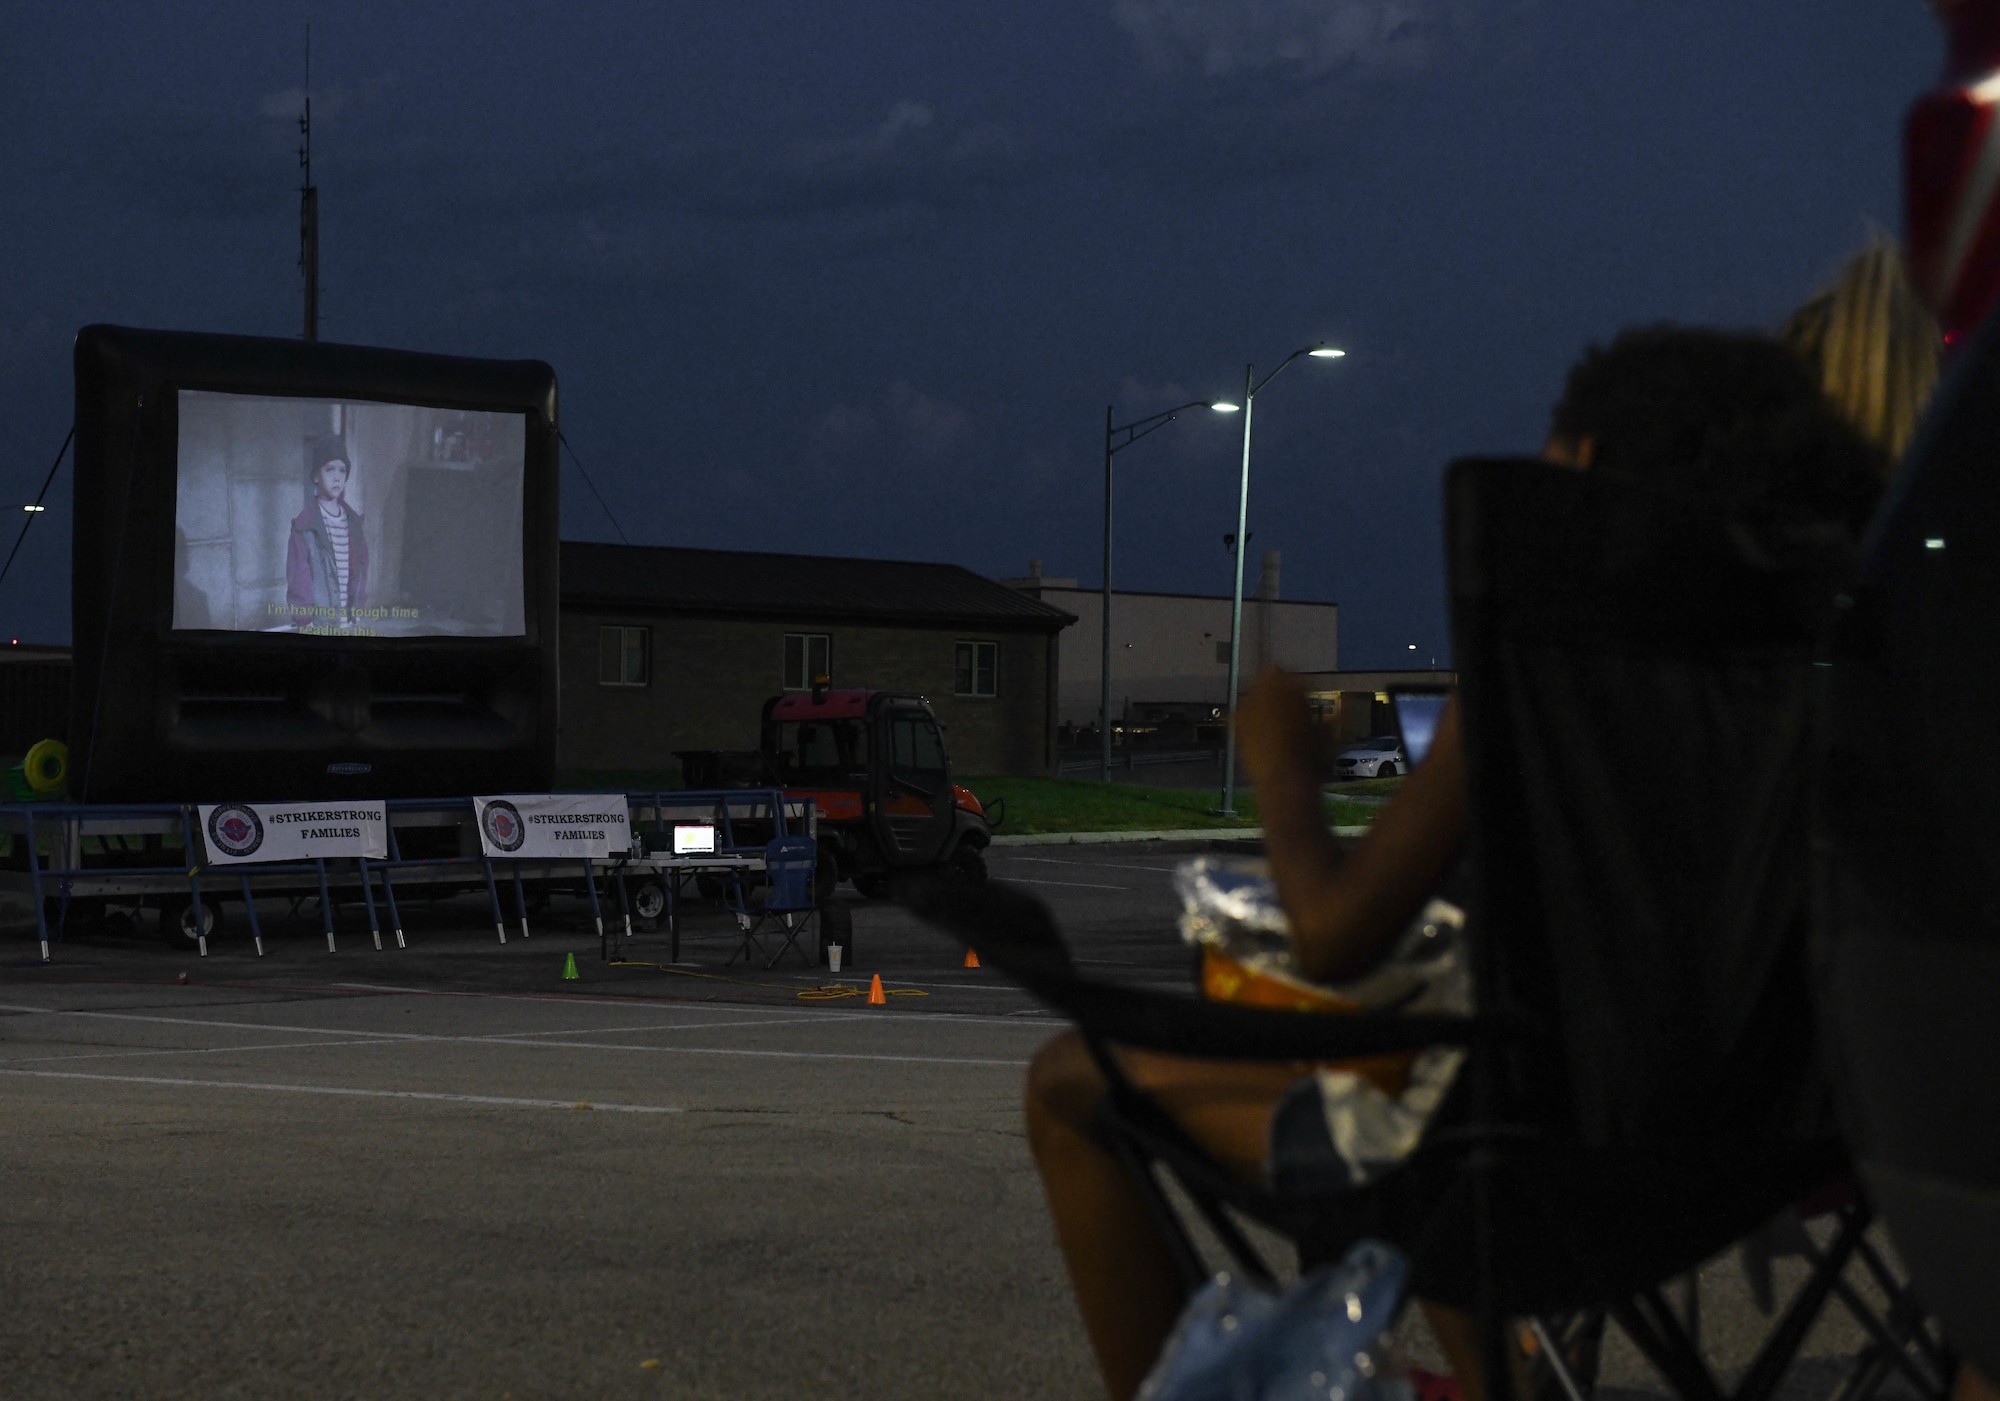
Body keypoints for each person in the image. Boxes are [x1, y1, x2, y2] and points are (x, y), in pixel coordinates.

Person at [1023, 326, 1887, 1401]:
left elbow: (1335, 937)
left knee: (1068, 1081)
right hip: (1755, 1162)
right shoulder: (1841, 677)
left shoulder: (1545, 675)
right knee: (1436, 1074)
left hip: (1512, 1182)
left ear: (1583, 480)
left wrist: (1285, 771)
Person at [285, 438, 369, 627]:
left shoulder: (354, 524)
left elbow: (362, 568)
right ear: (316, 476)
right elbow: (299, 579)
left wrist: (358, 608)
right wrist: (304, 620)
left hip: (347, 622)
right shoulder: (304, 527)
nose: (337, 477)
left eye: (342, 470)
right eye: (329, 469)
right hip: (318, 625)